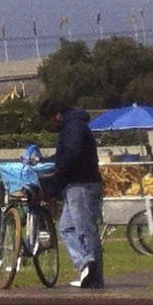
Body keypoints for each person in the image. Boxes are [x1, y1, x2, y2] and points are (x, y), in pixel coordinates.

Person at [39, 98, 105, 290]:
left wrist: (57, 169)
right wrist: (48, 161)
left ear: (56, 116)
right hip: (76, 184)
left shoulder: (73, 126)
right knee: (67, 228)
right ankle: (86, 266)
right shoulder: (73, 126)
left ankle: (93, 273)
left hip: (81, 183)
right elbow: (66, 153)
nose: (49, 126)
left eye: (48, 121)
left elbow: (71, 153)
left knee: (84, 229)